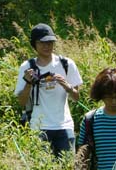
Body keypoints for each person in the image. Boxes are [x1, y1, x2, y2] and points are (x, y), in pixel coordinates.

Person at [14, 23, 82, 158]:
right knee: (41, 169)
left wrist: (66, 86)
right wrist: (28, 83)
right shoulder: (27, 67)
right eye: (42, 43)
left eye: (50, 42)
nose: (47, 46)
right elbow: (21, 102)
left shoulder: (66, 64)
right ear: (34, 44)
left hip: (64, 125)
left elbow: (76, 97)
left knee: (68, 168)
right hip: (38, 127)